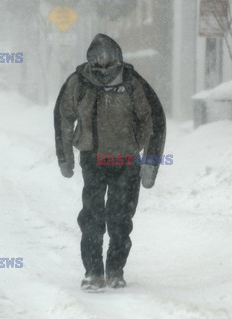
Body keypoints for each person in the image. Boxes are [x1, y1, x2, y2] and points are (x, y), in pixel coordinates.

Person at [54, 33, 166, 291]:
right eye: (99, 66)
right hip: (93, 160)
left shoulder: (132, 83)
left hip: (127, 161)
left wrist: (151, 163)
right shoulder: (78, 83)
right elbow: (63, 116)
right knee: (92, 218)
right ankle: (94, 272)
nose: (104, 71)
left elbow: (154, 120)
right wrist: (65, 158)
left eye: (109, 65)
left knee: (120, 220)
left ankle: (115, 271)